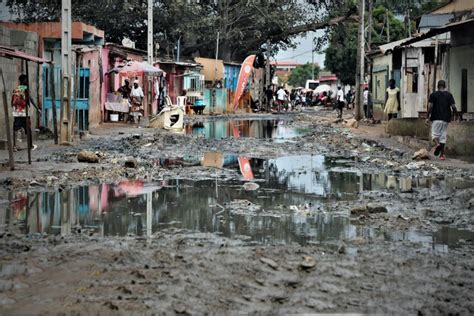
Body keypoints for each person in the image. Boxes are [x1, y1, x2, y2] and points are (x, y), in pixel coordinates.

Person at [426, 80, 458, 161]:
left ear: (437, 86)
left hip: (436, 117)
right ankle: (442, 155)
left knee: (434, 135)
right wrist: (456, 115)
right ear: (445, 86)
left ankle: (437, 144)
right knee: (443, 136)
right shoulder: (449, 95)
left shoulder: (433, 95)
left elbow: (430, 107)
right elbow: (453, 107)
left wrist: (427, 117)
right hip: (446, 119)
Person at [11, 74, 40, 151]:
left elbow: (12, 102)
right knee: (28, 129)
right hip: (24, 113)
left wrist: (15, 110)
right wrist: (37, 108)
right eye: (26, 80)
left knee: (15, 129)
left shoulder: (16, 89)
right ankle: (30, 145)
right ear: (24, 80)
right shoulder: (25, 88)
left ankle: (14, 146)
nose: (27, 81)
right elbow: (30, 99)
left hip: (17, 113)